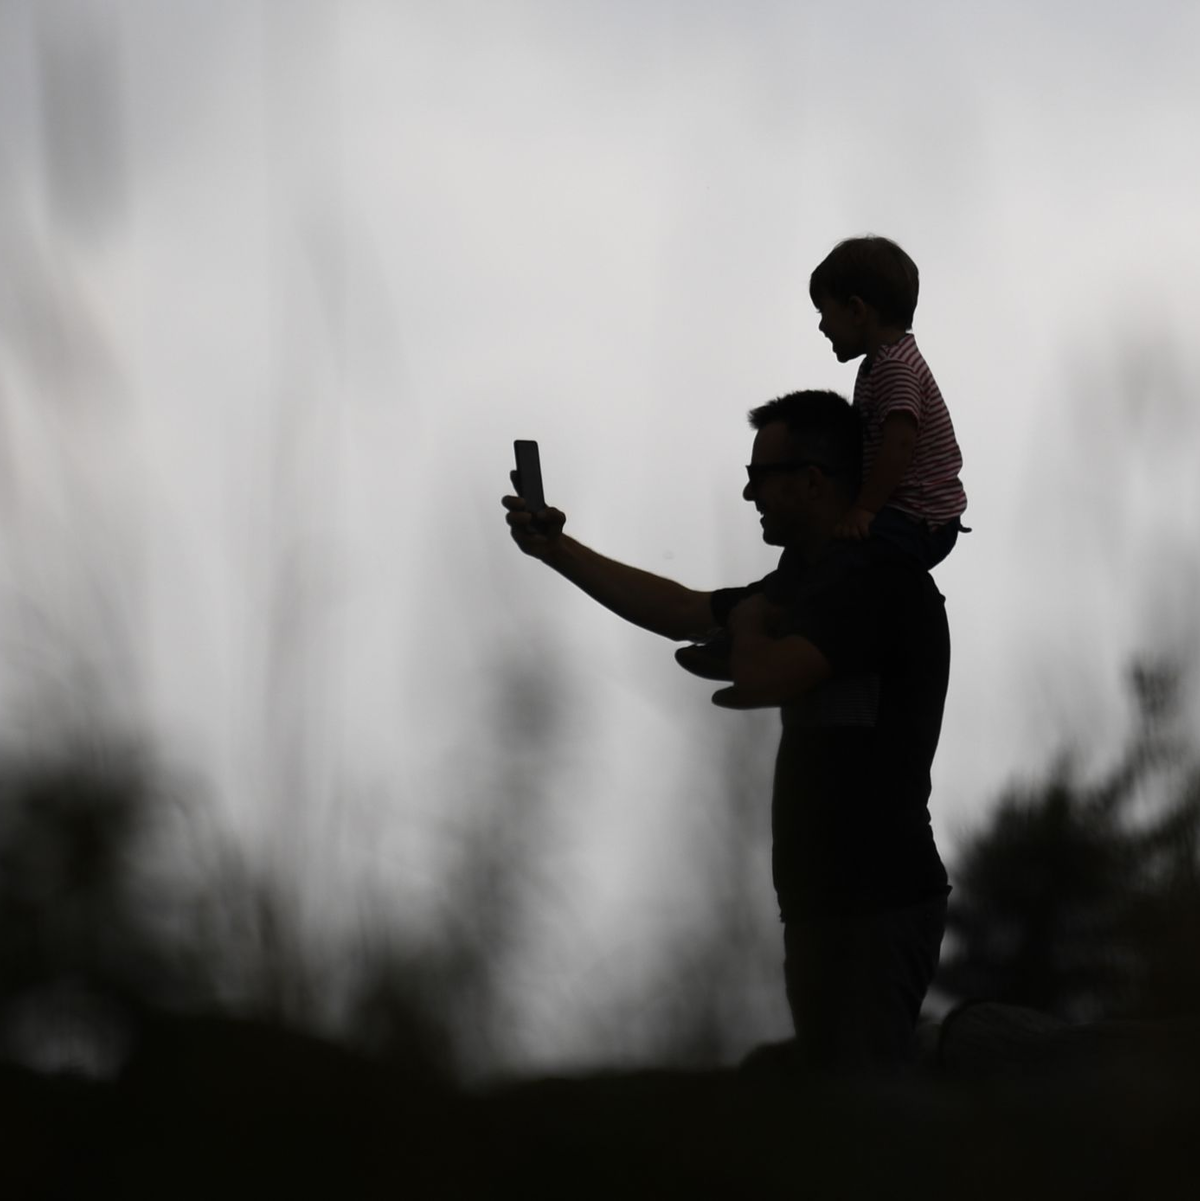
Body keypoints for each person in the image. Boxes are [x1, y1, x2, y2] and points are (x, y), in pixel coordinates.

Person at [502, 390, 951, 1075]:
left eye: (761, 476)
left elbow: (764, 675)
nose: (748, 493)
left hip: (877, 905)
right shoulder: (806, 586)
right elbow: (684, 608)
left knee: (863, 1121)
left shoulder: (878, 585)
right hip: (819, 905)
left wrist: (745, 625)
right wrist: (556, 550)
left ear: (813, 480)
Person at [810, 235, 967, 569]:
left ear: (856, 310)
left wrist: (863, 509)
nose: (821, 326)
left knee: (848, 560)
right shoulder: (879, 363)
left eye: (824, 312)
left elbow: (899, 443)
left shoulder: (895, 366)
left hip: (920, 517)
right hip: (905, 510)